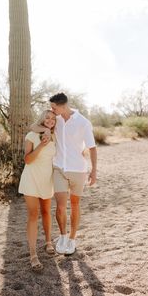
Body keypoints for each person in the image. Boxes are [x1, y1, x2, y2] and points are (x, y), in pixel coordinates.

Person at [31, 93, 97, 255]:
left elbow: (92, 147)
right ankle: (62, 236)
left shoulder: (83, 123)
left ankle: (72, 239)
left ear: (63, 106)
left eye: (54, 107)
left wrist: (94, 170)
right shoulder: (56, 120)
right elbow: (33, 127)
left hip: (78, 170)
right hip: (59, 168)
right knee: (60, 206)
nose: (52, 111)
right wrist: (46, 129)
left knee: (74, 205)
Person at [18, 109, 56, 271]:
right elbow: (27, 160)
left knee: (47, 212)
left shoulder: (56, 135)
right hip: (31, 178)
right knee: (33, 214)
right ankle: (33, 254)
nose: (50, 120)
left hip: (47, 179)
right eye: (47, 117)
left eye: (53, 118)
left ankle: (48, 242)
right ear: (42, 119)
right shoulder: (31, 136)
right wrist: (41, 144)